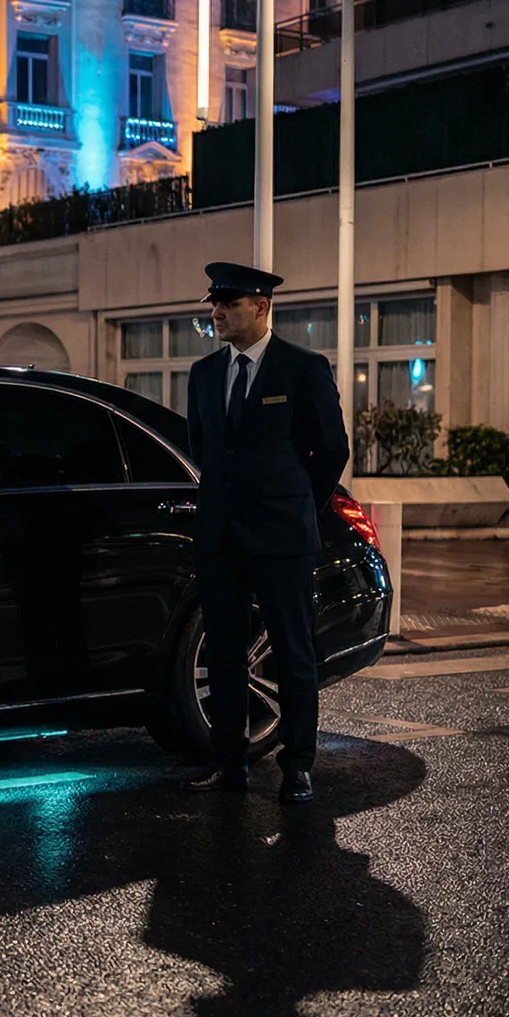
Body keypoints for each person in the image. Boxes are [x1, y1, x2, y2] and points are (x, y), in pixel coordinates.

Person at [181, 262, 349, 805]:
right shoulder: (204, 373)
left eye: (228, 304)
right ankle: (229, 762)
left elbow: (332, 450)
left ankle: (297, 765)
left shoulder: (303, 368)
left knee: (293, 651)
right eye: (214, 304)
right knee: (224, 654)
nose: (217, 313)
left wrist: (298, 505)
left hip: (282, 536)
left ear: (261, 306)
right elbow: (202, 449)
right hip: (220, 537)